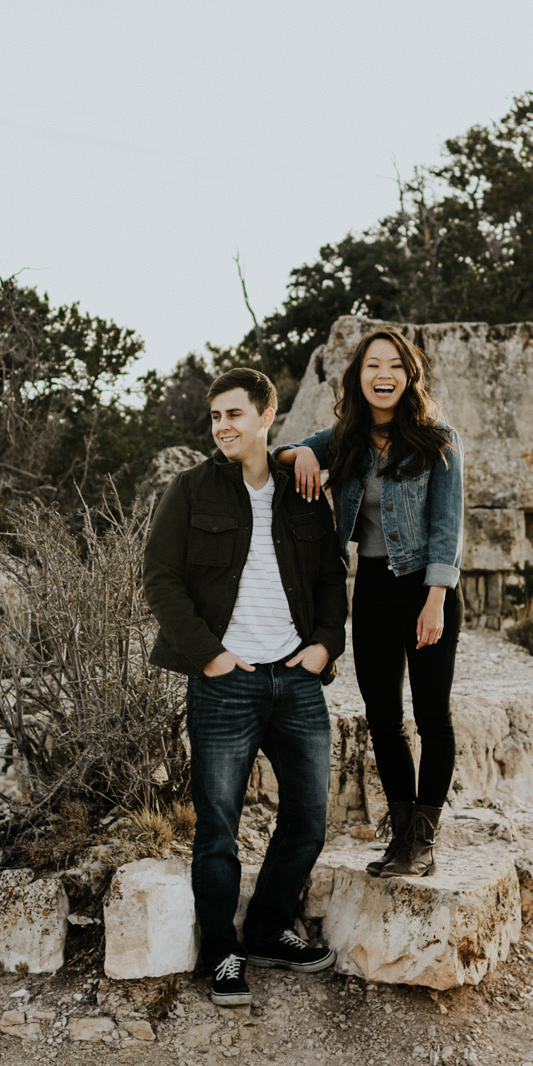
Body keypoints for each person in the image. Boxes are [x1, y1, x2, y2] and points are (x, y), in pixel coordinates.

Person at [142, 367, 347, 1007]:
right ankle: (222, 953)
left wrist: (324, 646)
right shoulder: (191, 489)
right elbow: (161, 578)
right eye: (215, 417)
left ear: (266, 416)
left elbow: (331, 579)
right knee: (218, 829)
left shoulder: (303, 490)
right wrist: (208, 656)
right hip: (226, 684)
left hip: (296, 677)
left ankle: (264, 930)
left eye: (235, 414)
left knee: (309, 819)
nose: (223, 427)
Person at [276, 327, 464, 879]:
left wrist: (435, 600)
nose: (384, 375)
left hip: (429, 590)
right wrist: (301, 457)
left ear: (409, 376)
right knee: (382, 717)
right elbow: (280, 453)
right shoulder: (345, 439)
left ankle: (423, 843)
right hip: (375, 589)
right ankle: (401, 838)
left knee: (432, 715)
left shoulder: (439, 439)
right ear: (359, 377)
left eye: (394, 366)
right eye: (372, 366)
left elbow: (447, 528)